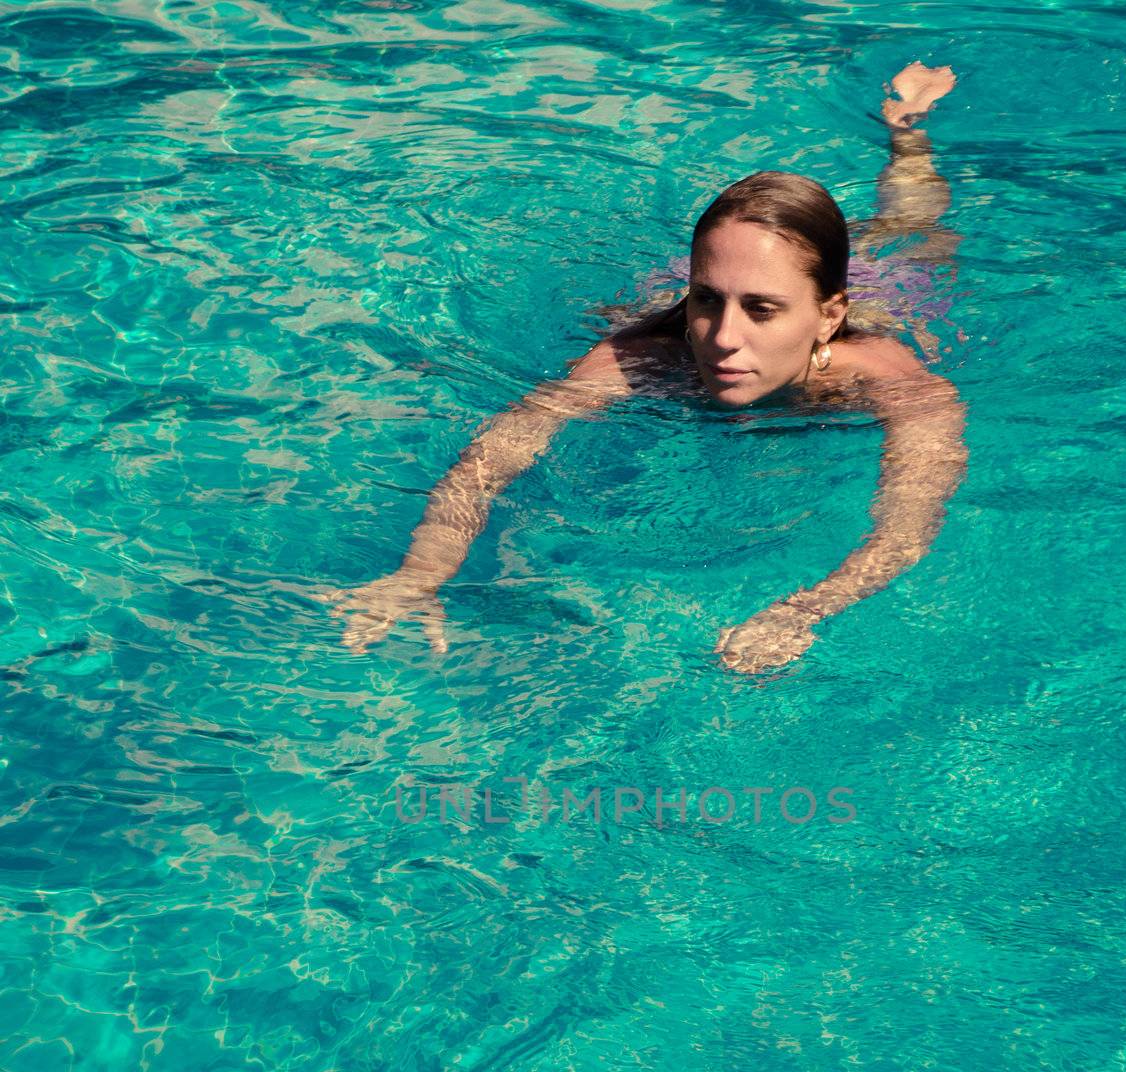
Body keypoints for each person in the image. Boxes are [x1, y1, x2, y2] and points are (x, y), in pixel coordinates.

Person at [324, 62, 967, 674]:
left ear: (827, 318)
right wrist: (421, 573)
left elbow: (904, 532)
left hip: (894, 295)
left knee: (909, 228)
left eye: (761, 311)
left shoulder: (895, 385)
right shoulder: (642, 357)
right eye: (706, 301)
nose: (722, 339)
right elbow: (489, 462)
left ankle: (907, 132)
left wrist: (801, 612)